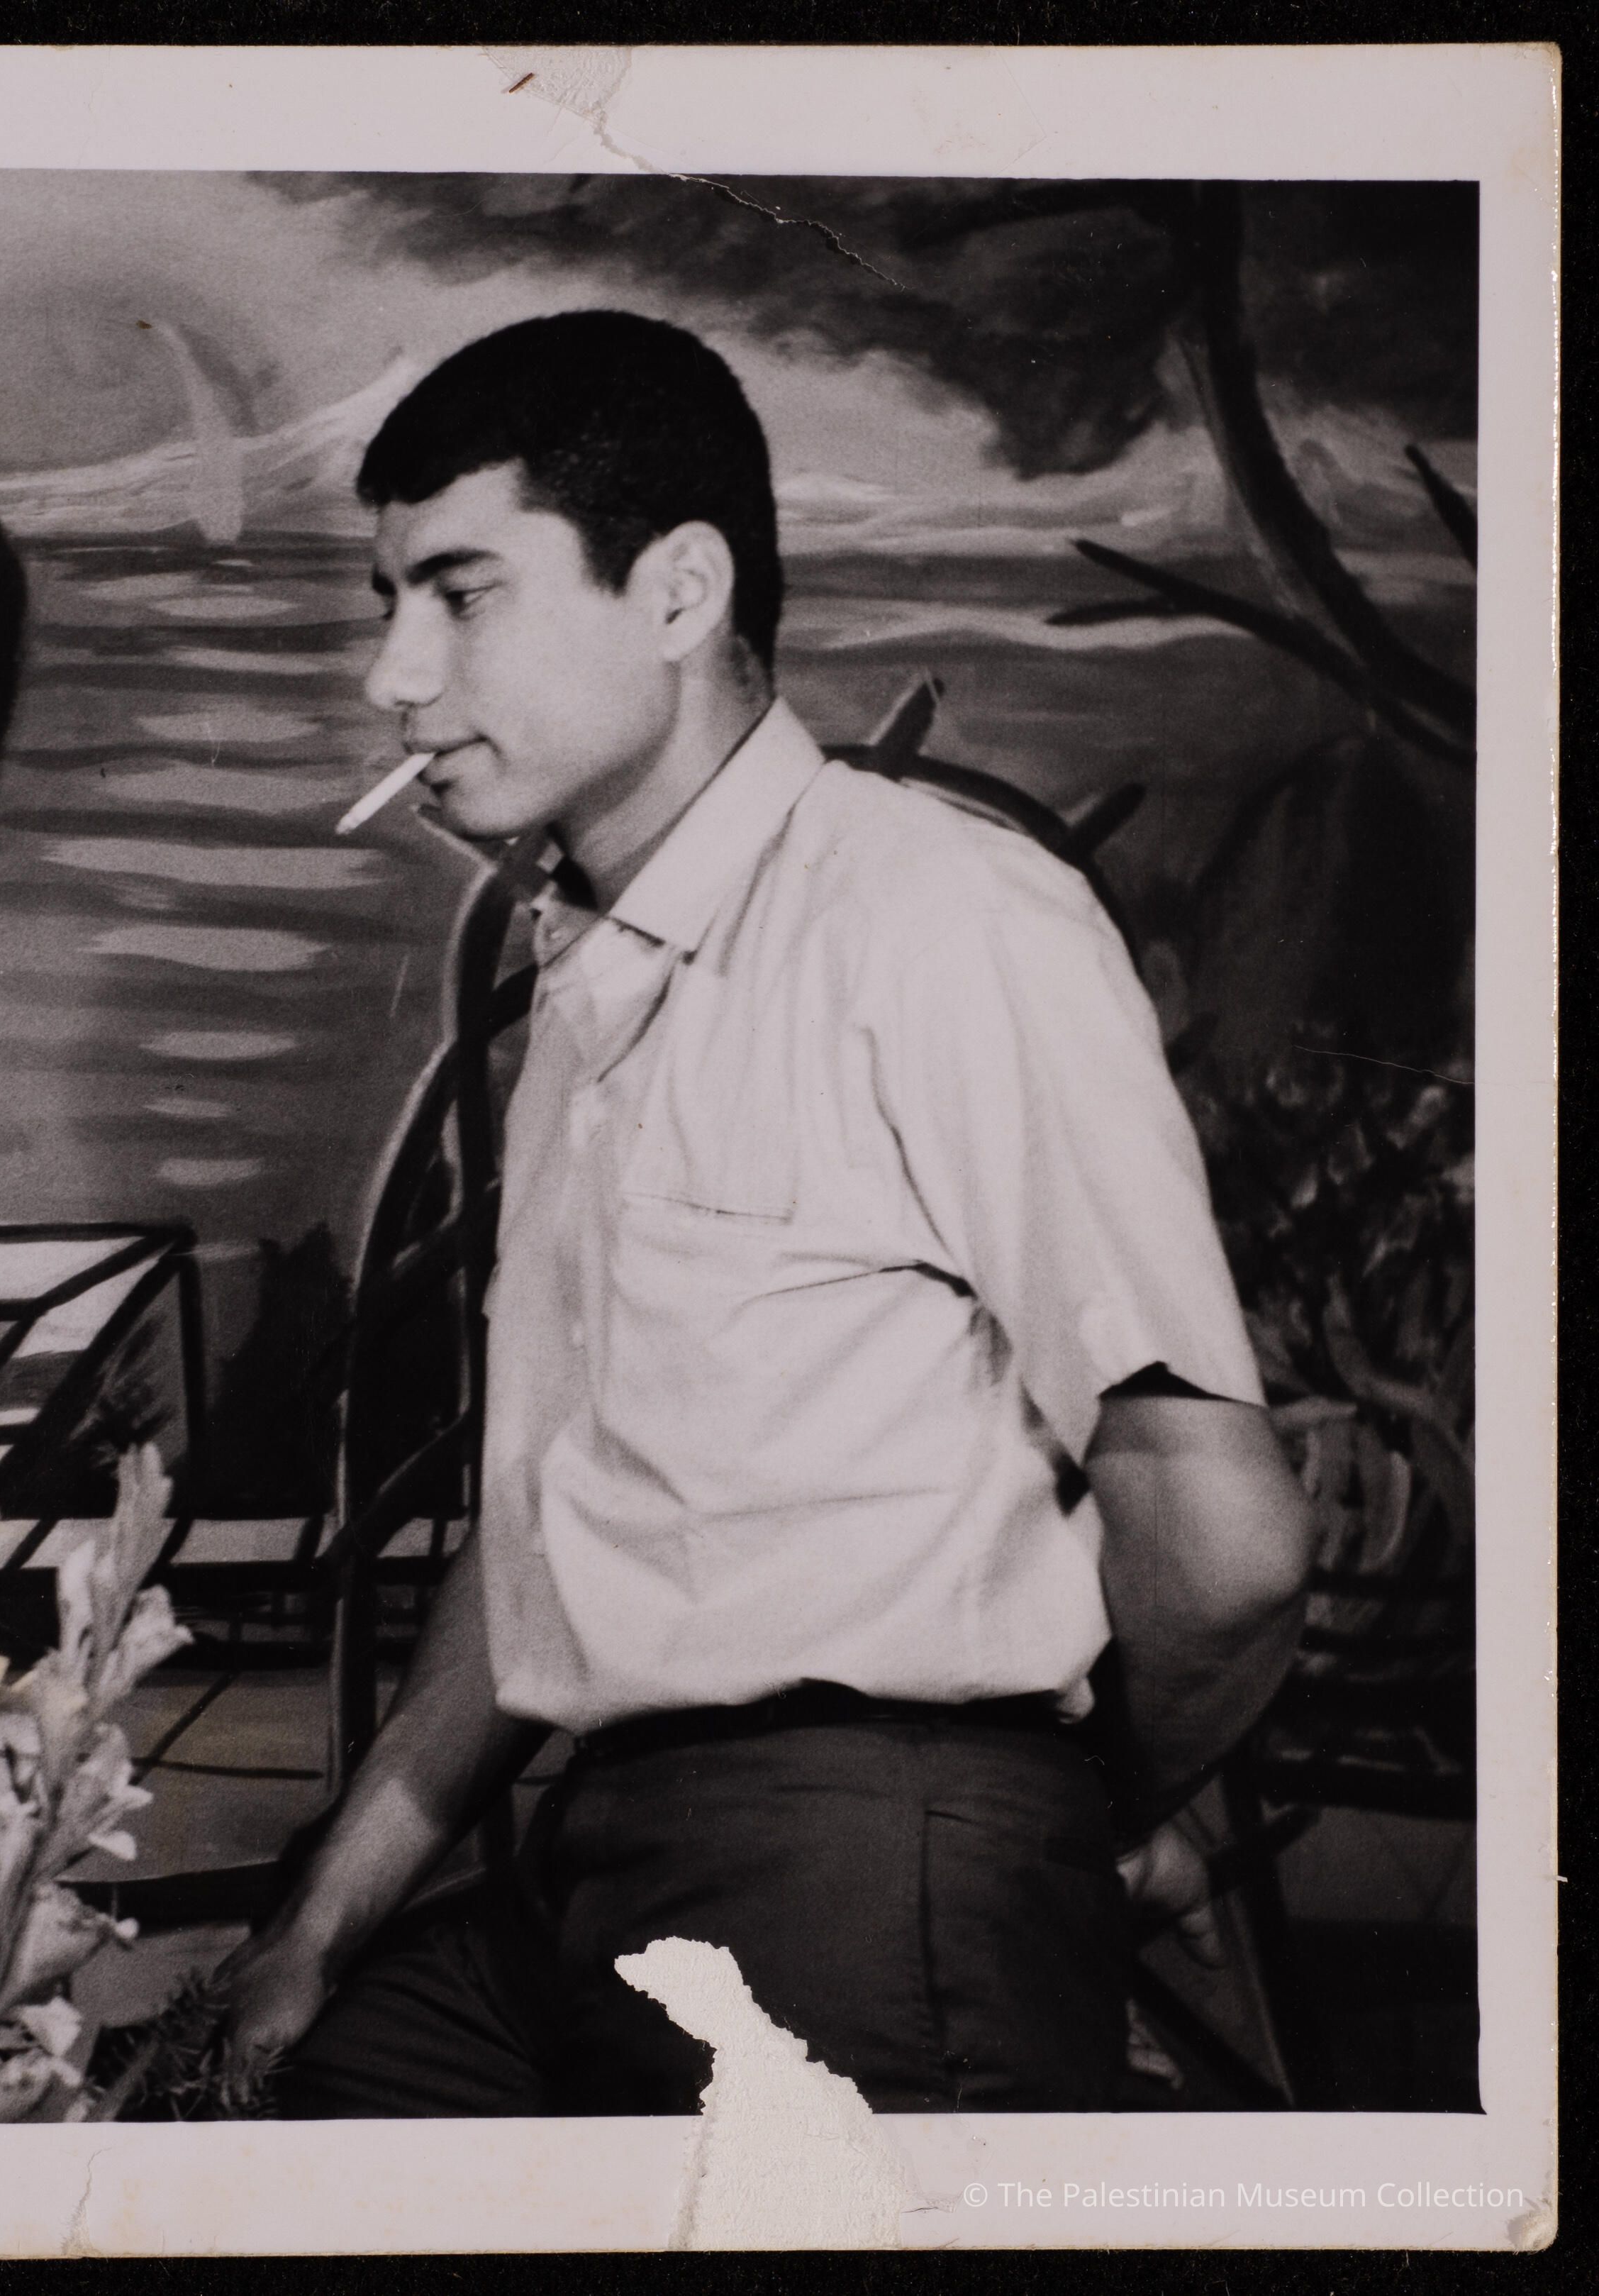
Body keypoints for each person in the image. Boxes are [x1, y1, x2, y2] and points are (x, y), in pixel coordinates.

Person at [221, 310, 1315, 2116]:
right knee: (271, 2122)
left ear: (677, 591)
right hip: (585, 1855)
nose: (391, 677)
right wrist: (313, 1935)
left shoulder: (935, 916)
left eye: (462, 594)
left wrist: (1063, 1819)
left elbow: (1228, 1539)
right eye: (385, 602)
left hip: (858, 1845)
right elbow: (553, 1531)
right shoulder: (596, 987)